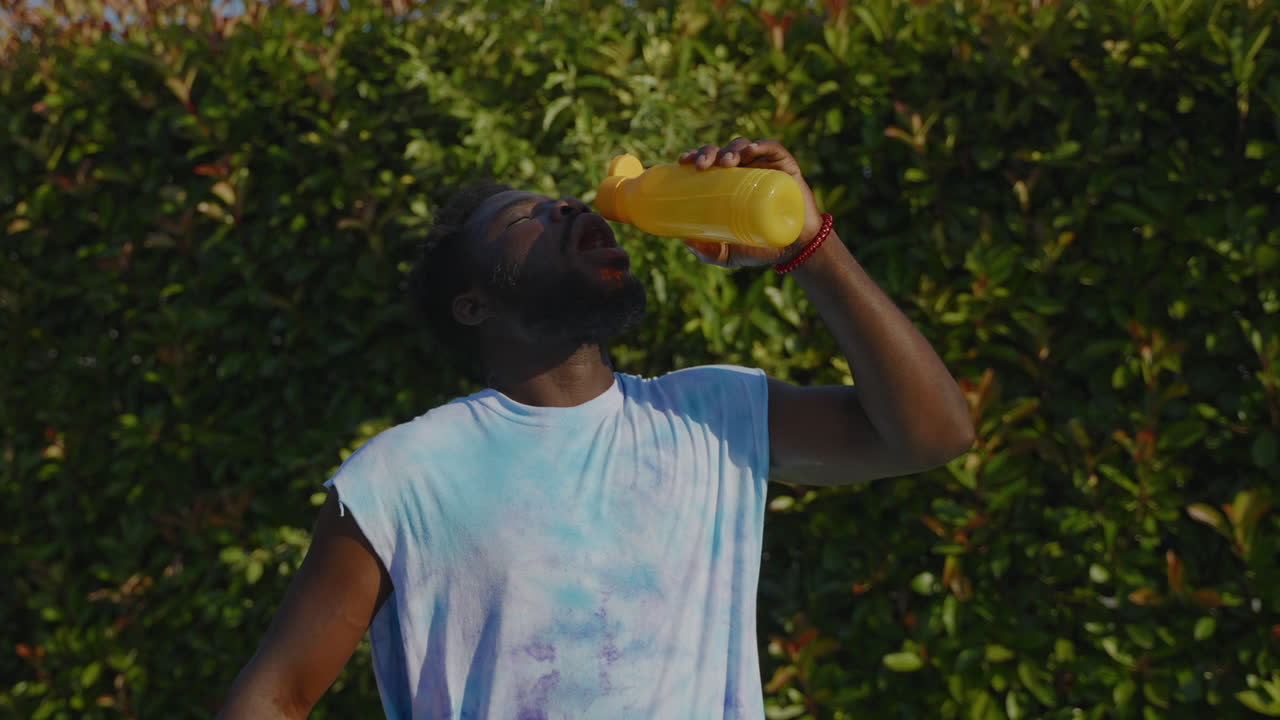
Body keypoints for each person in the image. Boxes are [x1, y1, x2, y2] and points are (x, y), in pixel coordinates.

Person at [217, 138, 974, 719]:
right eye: (525, 217)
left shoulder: (710, 417)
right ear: (474, 304)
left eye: (568, 202)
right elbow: (274, 697)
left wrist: (809, 242)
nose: (570, 209)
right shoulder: (404, 475)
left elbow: (932, 433)